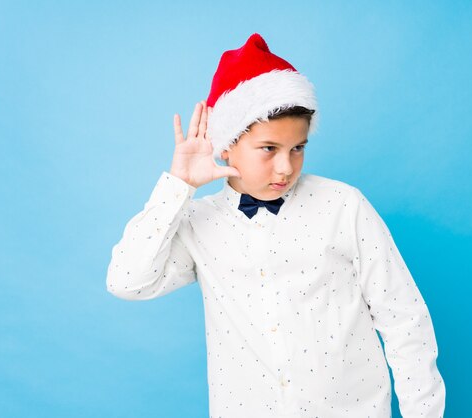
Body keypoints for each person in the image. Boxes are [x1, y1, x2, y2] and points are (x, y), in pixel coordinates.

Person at [106, 33, 445, 418]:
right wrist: (177, 186)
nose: (286, 167)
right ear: (227, 144)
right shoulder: (199, 224)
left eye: (297, 148)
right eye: (269, 149)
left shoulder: (343, 206)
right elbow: (127, 281)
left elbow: (403, 318)